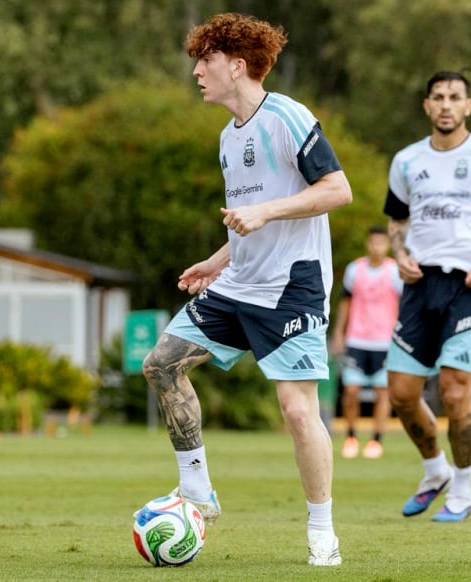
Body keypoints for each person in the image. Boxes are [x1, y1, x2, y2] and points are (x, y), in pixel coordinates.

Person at [140, 13, 352, 567]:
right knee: (161, 363)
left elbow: (337, 189)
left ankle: (322, 532)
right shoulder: (227, 139)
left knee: (297, 410)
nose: (197, 73)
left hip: (291, 289)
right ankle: (197, 492)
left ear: (237, 65)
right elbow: (249, 220)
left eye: (205, 61)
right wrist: (215, 261)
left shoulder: (287, 116)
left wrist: (264, 211)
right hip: (238, 284)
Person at [383, 70, 471, 522]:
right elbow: (395, 222)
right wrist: (399, 252)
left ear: (468, 106)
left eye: (455, 97)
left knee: (453, 388)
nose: (446, 105)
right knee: (402, 394)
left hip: (468, 284)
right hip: (417, 284)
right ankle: (435, 472)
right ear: (426, 106)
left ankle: (463, 492)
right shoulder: (406, 161)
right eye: (438, 97)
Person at [330, 225, 402, 459]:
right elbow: (345, 303)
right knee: (351, 391)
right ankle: (351, 436)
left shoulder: (395, 271)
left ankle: (376, 440)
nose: (377, 247)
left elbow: (404, 306)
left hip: (385, 342)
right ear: (368, 244)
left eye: (382, 243)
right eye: (374, 242)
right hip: (357, 339)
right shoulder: (355, 270)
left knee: (383, 393)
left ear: (388, 245)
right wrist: (339, 333)